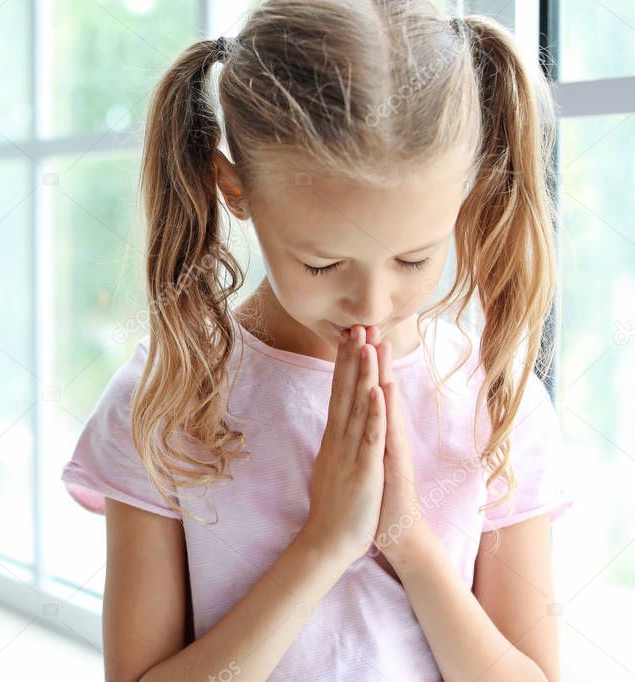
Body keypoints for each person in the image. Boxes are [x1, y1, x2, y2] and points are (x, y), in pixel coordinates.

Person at [60, 1, 575, 679]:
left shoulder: (494, 401)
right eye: (322, 264)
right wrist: (323, 545)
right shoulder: (166, 401)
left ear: (465, 193)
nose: (370, 302)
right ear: (234, 190)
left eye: (414, 260)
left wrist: (406, 542)